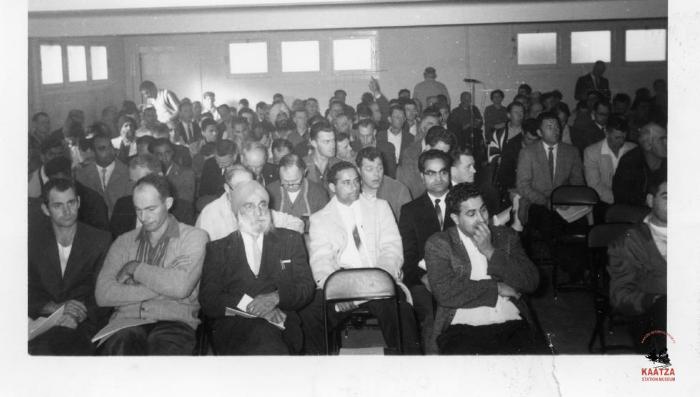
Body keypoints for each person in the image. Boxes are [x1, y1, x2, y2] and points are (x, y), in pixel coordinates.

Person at [300, 161, 421, 354]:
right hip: (341, 279)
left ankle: (407, 368)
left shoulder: (380, 207)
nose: (355, 186)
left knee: (401, 313)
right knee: (311, 313)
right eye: (346, 182)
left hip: (378, 277)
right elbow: (321, 259)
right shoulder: (320, 219)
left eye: (356, 181)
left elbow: (392, 248)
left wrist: (379, 280)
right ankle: (318, 371)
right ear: (332, 187)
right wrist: (338, 290)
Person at [95, 174, 208, 355]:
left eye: (151, 209)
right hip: (126, 322)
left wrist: (135, 268)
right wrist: (165, 282)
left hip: (175, 322)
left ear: (168, 203)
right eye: (138, 210)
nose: (143, 217)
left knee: (162, 364)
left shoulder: (194, 237)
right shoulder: (124, 241)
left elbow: (180, 288)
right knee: (120, 358)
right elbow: (103, 294)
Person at [199, 181, 316, 354]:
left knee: (268, 343)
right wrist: (254, 308)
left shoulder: (290, 240)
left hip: (282, 323)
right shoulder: (219, 249)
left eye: (263, 205)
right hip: (235, 327)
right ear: (237, 212)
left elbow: (306, 287)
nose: (259, 213)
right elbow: (209, 300)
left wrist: (276, 297)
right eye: (249, 206)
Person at [424, 183, 540, 354]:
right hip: (463, 326)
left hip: (509, 319)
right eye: (471, 214)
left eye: (483, 210)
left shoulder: (505, 236)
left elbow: (531, 281)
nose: (481, 218)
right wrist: (498, 288)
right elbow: (445, 292)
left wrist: (490, 251)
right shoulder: (440, 243)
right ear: (455, 218)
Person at [28, 178, 112, 355]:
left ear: (79, 202)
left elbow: (105, 292)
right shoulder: (32, 242)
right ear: (45, 209)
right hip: (42, 322)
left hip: (84, 323)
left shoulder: (100, 240)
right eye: (58, 205)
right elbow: (25, 290)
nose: (67, 211)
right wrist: (55, 309)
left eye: (71, 202)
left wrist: (75, 314)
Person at [516, 111, 586, 281]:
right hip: (537, 203)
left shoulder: (571, 152)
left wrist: (567, 200)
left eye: (557, 126)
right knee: (550, 225)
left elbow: (578, 183)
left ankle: (575, 266)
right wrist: (547, 202)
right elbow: (523, 186)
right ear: (539, 133)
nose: (555, 130)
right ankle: (573, 267)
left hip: (565, 203)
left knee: (581, 225)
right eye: (549, 127)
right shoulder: (528, 153)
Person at [398, 149, 455, 352]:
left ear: (449, 173)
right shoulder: (410, 211)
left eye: (443, 172)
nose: (438, 178)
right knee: (432, 313)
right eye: (431, 173)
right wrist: (425, 278)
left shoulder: (463, 205)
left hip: (459, 275)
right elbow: (408, 256)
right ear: (422, 176)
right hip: (423, 279)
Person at [608, 178, 667, 352]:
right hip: (655, 315)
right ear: (650, 200)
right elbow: (620, 294)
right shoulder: (629, 241)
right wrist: (651, 300)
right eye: (667, 197)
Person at [196, 165, 304, 241]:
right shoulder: (210, 214)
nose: (247, 192)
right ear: (227, 188)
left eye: (250, 186)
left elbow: (297, 224)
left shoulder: (259, 207)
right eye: (240, 187)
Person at [109, 154, 194, 238]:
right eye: (132, 182)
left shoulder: (182, 210)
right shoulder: (123, 205)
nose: (136, 188)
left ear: (159, 177)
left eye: (142, 182)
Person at [584, 116, 637, 220]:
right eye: (617, 137)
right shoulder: (591, 152)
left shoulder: (633, 149)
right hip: (604, 201)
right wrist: (617, 200)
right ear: (606, 133)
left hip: (630, 202)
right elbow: (595, 185)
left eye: (624, 137)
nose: (621, 142)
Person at [74, 133, 131, 218]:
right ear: (93, 152)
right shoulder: (82, 175)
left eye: (110, 147)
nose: (109, 152)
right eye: (102, 149)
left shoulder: (127, 172)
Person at [267, 154, 329, 232]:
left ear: (305, 172)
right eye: (285, 181)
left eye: (295, 181)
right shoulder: (270, 191)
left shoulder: (319, 193)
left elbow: (326, 224)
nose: (290, 186)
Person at [613, 122, 667, 207]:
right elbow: (623, 200)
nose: (667, 143)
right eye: (662, 139)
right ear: (647, 145)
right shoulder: (629, 162)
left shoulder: (670, 161)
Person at [396, 126, 456, 198]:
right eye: (439, 152)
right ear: (427, 148)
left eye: (446, 153)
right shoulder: (410, 163)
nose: (443, 158)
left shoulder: (447, 159)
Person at [356, 147, 412, 221]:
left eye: (380, 168)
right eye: (369, 169)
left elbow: (408, 227)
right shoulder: (352, 190)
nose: (376, 174)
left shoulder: (399, 190)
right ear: (359, 170)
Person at [150, 138, 196, 205]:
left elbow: (185, 203)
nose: (164, 158)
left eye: (167, 153)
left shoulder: (186, 174)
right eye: (159, 154)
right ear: (154, 156)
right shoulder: (150, 173)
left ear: (172, 152)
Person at [303, 120, 340, 191]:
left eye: (333, 140)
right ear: (314, 143)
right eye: (327, 141)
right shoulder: (302, 166)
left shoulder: (339, 165)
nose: (332, 145)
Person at [447, 91, 484, 156]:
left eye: (469, 99)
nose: (467, 101)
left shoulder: (474, 109)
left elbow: (480, 121)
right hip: (462, 138)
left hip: (475, 136)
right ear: (461, 99)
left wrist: (476, 123)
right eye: (465, 99)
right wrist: (468, 125)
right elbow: (452, 127)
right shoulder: (455, 111)